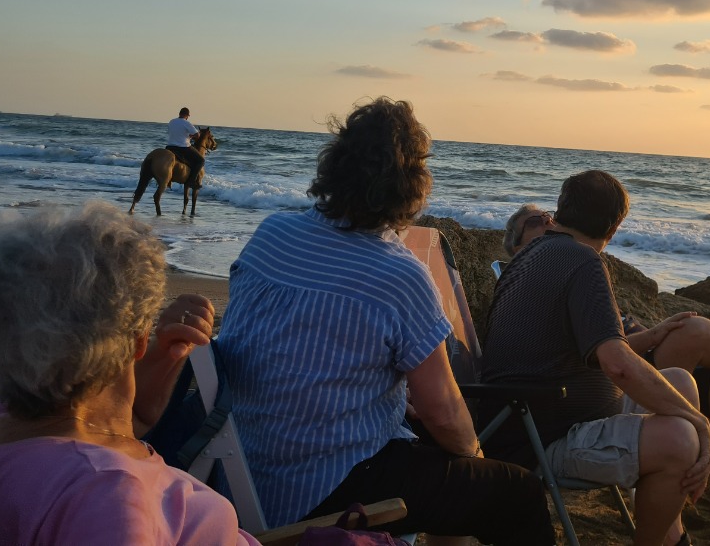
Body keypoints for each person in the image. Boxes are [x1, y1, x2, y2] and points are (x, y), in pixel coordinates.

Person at [215, 97, 554, 544]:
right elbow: (445, 411)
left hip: (241, 467)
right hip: (325, 486)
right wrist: (475, 456)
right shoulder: (397, 272)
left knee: (431, 451)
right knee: (517, 493)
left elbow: (289, 345)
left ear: (334, 165)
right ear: (413, 183)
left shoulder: (273, 233)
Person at [504, 203, 710, 522]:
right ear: (517, 250)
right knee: (693, 331)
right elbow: (606, 357)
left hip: (644, 362)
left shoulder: (575, 265)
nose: (548, 222)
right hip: (625, 374)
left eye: (549, 215)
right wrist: (654, 336)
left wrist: (653, 332)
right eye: (534, 222)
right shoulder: (530, 284)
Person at [0, 201, 256, 545]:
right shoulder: (103, 491)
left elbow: (76, 434)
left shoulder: (6, 418)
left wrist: (149, 380)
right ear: (137, 341)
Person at [481, 172, 710, 546]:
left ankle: (670, 532)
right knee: (681, 439)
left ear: (561, 211)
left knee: (681, 383)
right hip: (541, 442)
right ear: (615, 226)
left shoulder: (530, 256)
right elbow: (616, 362)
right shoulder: (583, 261)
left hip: (523, 419)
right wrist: (701, 424)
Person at [166, 107, 205, 189]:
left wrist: (188, 136)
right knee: (201, 160)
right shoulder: (186, 123)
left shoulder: (171, 121)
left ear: (179, 114)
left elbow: (174, 133)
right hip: (182, 147)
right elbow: (197, 135)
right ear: (187, 116)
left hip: (169, 147)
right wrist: (192, 136)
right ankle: (191, 181)